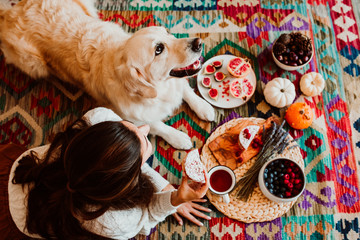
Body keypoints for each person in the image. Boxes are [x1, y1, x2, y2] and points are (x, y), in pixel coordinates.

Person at [0, 107, 210, 239]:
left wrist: (164, 186)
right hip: (15, 222)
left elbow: (124, 162)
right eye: (146, 140)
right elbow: (145, 221)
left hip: (18, 168)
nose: (146, 128)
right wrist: (175, 198)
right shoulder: (113, 221)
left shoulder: (98, 118)